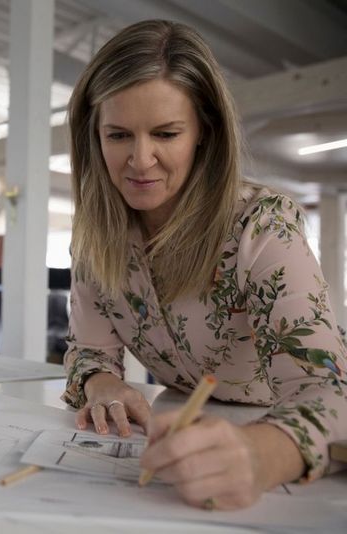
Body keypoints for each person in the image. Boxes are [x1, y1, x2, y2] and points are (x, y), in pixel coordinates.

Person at [62, 19, 346, 511]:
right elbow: (88, 351)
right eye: (119, 135)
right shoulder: (95, 238)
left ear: (204, 133)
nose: (140, 160)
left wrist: (261, 455)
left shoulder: (262, 225)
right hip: (187, 430)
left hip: (282, 442)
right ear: (94, 136)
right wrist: (102, 384)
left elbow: (331, 390)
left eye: (166, 133)